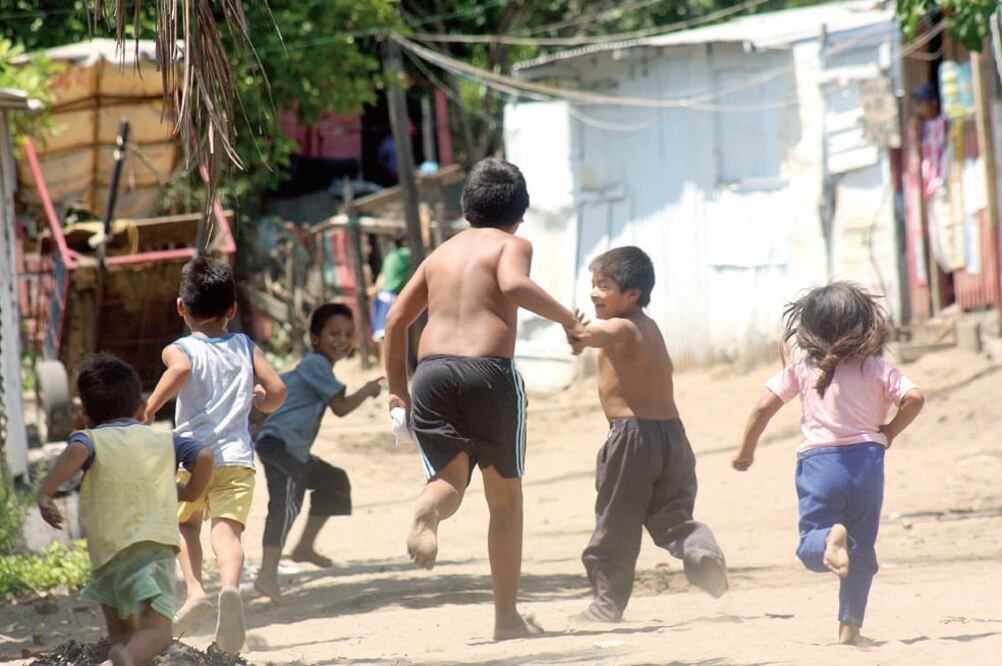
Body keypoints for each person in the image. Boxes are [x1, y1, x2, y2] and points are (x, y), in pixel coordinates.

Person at [383, 157, 585, 640]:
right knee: (505, 500)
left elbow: (394, 323)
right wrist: (567, 320)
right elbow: (514, 284)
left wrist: (396, 390)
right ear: (520, 213)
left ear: (466, 206)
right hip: (489, 374)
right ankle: (506, 618)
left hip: (430, 375)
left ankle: (428, 510)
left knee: (449, 481)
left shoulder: (440, 254)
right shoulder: (513, 244)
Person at [732, 282, 925, 645]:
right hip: (868, 462)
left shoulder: (803, 369)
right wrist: (890, 432)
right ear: (866, 324)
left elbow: (762, 408)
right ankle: (849, 627)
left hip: (820, 463)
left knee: (812, 543)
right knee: (861, 550)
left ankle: (827, 539)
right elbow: (915, 397)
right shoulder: (877, 369)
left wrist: (746, 452)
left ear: (808, 328)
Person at [565, 247, 727, 623]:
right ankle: (702, 552)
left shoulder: (622, 327)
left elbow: (595, 334)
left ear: (632, 294)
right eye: (593, 284)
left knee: (615, 525)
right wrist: (580, 338)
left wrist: (574, 329)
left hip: (632, 439)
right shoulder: (649, 327)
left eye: (603, 286)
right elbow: (590, 339)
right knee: (673, 518)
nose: (594, 293)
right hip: (672, 437)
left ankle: (606, 605)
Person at [143, 256, 287, 652]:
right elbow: (277, 392)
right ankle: (229, 589)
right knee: (227, 532)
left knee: (187, 525)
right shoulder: (245, 345)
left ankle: (194, 591)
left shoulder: (180, 348)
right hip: (238, 460)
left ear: (180, 307)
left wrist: (151, 407)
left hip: (192, 459)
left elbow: (181, 371)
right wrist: (260, 401)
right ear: (233, 310)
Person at [36, 354, 214, 666]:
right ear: (142, 409)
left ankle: (122, 653)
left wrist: (46, 492)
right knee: (158, 631)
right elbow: (205, 455)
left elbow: (77, 451)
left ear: (85, 415)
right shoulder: (164, 441)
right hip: (154, 549)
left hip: (108, 554)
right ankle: (128, 657)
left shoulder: (90, 439)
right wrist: (191, 491)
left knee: (120, 631)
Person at [253, 303, 383, 602]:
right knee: (285, 503)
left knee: (334, 482)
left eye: (348, 334)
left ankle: (303, 547)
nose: (342, 340)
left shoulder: (317, 366)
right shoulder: (316, 365)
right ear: (315, 338)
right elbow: (341, 408)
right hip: (278, 444)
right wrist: (367, 389)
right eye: (334, 333)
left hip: (292, 449)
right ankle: (267, 576)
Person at [369, 234, 412, 343]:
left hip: (382, 296)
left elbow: (381, 278)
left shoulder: (390, 256)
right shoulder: (406, 254)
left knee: (382, 336)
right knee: (393, 336)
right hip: (392, 298)